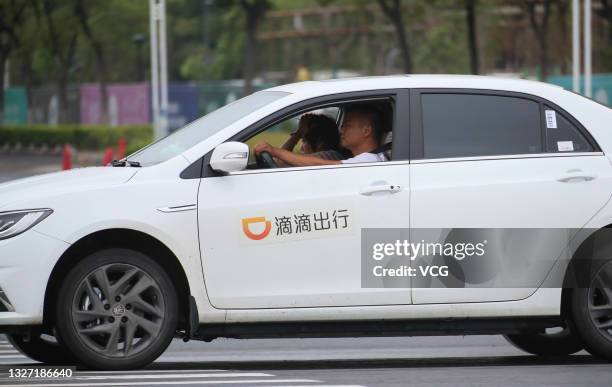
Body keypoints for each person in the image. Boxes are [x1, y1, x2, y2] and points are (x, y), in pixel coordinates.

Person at [254, 105, 388, 167]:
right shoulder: (362, 159)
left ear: (366, 131)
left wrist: (275, 151)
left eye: (347, 125)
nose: (341, 131)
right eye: (341, 126)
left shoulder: (370, 161)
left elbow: (322, 164)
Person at [280, 113, 344, 161]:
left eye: (304, 141)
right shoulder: (333, 155)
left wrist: (298, 133)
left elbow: (279, 160)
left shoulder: (323, 157)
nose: (301, 148)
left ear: (320, 143)